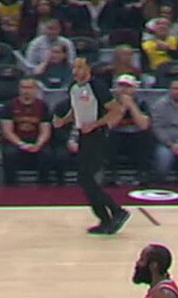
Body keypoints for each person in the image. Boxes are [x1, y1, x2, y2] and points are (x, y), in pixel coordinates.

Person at [51, 58, 130, 235]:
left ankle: (116, 211)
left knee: (86, 178)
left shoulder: (97, 86)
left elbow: (116, 110)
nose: (75, 71)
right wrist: (63, 120)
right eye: (74, 68)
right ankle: (106, 218)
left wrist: (94, 124)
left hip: (97, 135)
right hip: (83, 135)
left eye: (79, 67)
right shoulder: (73, 87)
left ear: (88, 68)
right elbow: (76, 110)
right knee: (85, 180)